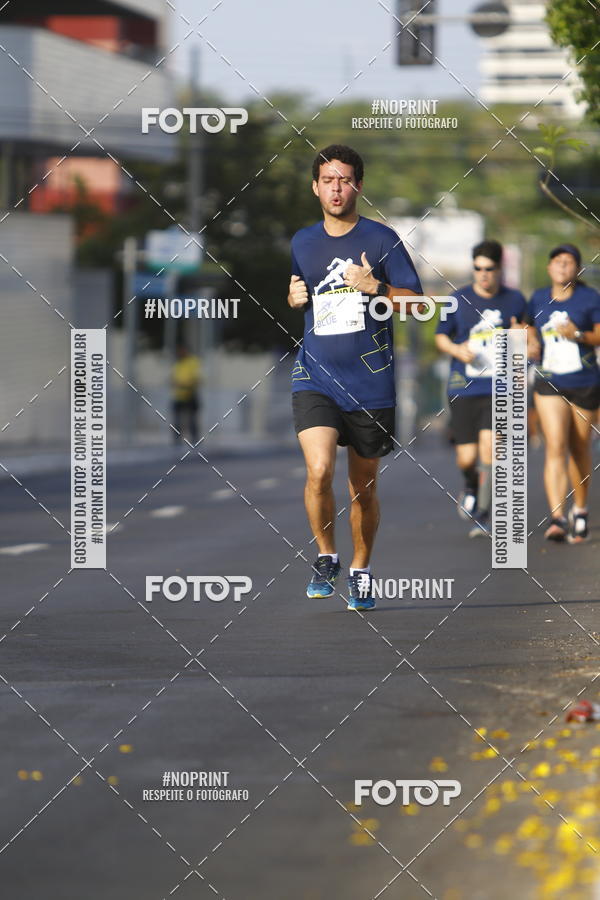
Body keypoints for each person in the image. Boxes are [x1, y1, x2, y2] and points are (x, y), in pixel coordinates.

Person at [288, 144, 423, 611]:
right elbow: (300, 294)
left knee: (362, 488)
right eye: (328, 180)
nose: (337, 188)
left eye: (345, 180)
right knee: (319, 470)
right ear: (315, 187)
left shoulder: (383, 240)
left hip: (370, 382)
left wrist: (378, 288)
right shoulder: (302, 242)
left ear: (359, 186)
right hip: (316, 375)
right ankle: (326, 556)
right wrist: (294, 298)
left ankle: (361, 568)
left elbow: (420, 305)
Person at [434, 240, 527, 538]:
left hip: (499, 387)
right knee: (466, 458)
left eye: (489, 269)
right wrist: (456, 350)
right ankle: (471, 486)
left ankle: (484, 513)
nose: (483, 274)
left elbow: (526, 336)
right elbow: (441, 337)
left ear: (500, 269)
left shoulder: (515, 300)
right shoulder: (457, 299)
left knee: (491, 448)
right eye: (478, 269)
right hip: (464, 387)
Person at [527, 244, 600, 542]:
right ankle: (557, 517)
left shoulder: (589, 297)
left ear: (577, 269)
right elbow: (527, 327)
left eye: (568, 262)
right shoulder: (538, 298)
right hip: (549, 380)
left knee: (579, 446)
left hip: (584, 380)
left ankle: (580, 509)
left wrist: (578, 334)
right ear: (549, 268)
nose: (562, 267)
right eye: (557, 262)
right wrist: (530, 340)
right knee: (555, 445)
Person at [171, 343, 201, 445]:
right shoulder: (178, 363)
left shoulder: (193, 362)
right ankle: (177, 440)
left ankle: (195, 440)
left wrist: (185, 384)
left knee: (192, 420)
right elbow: (174, 378)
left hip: (190, 395)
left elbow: (196, 378)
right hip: (179, 395)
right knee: (177, 420)